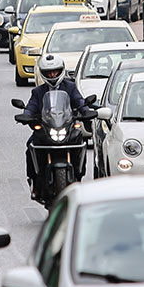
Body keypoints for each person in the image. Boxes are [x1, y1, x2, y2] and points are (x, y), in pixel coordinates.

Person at [19, 54, 93, 196]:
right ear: (43, 73)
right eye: (49, 72)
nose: (52, 75)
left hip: (66, 127)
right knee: (30, 146)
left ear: (61, 70)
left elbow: (79, 101)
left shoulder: (70, 87)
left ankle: (78, 176)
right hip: (46, 128)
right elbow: (31, 106)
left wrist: (86, 111)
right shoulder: (38, 91)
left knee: (80, 142)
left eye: (55, 71)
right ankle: (35, 182)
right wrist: (26, 115)